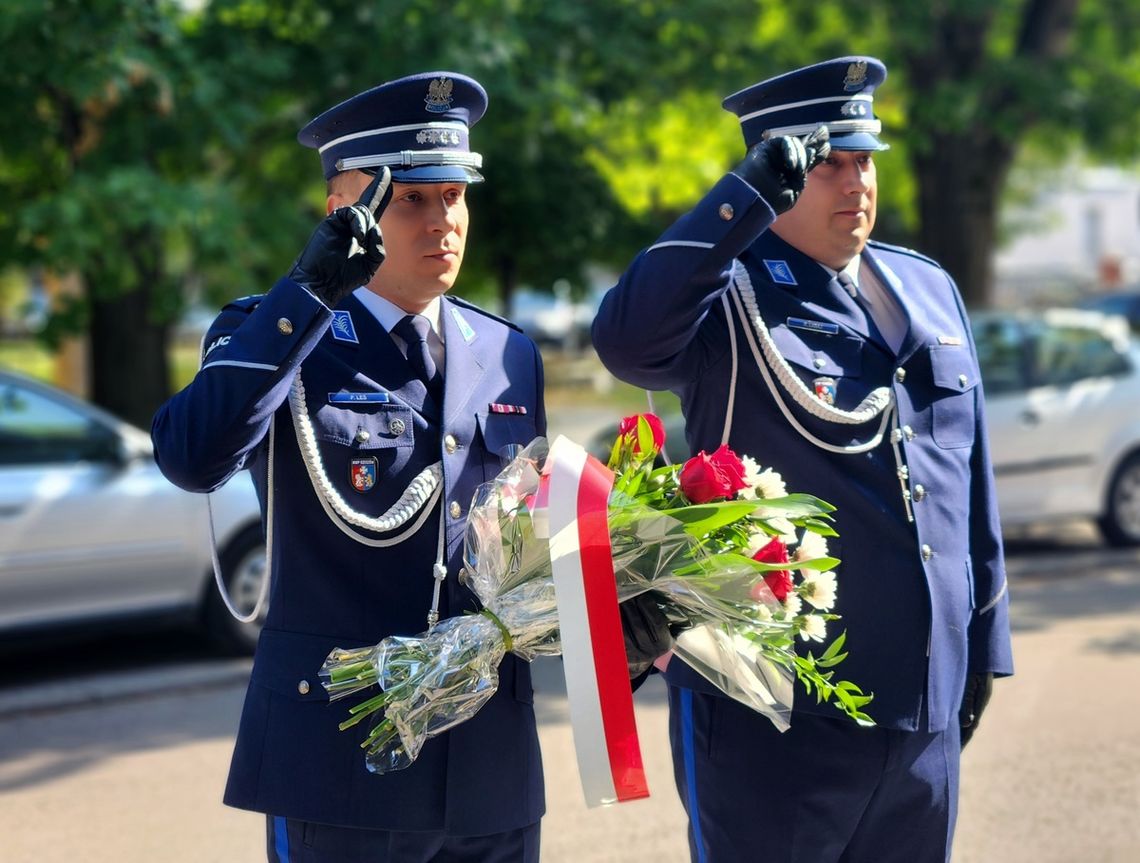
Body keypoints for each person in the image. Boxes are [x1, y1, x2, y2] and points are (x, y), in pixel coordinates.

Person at [593, 57, 1013, 862]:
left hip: (922, 710)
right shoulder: (728, 293)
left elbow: (970, 483)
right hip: (774, 723)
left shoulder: (927, 288)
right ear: (779, 177)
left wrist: (983, 646)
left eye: (864, 162)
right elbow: (625, 340)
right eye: (828, 165)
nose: (856, 182)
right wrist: (738, 200)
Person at [152, 72, 546, 863]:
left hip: (488, 774)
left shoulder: (509, 352)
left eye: (455, 196)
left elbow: (526, 540)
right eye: (411, 200)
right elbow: (192, 456)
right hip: (342, 768)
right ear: (345, 211)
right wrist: (307, 293)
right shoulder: (274, 331)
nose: (443, 221)